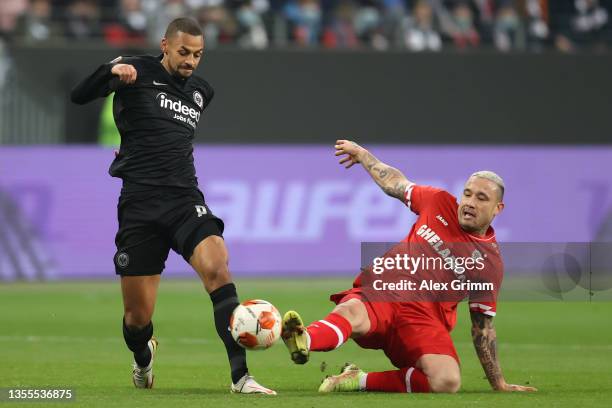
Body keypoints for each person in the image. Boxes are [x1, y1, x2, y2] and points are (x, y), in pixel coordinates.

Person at [70, 17, 275, 395]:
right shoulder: (136, 70)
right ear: (165, 45)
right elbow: (79, 95)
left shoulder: (201, 92)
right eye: (184, 52)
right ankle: (143, 355)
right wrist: (110, 71)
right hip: (140, 204)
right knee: (136, 319)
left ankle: (241, 378)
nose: (191, 61)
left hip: (184, 200)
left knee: (218, 268)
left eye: (198, 54)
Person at [281, 139, 538, 394]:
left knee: (446, 381)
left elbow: (482, 327)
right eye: (468, 193)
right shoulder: (438, 202)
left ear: (498, 208)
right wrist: (362, 155)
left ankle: (356, 380)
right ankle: (304, 338)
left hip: (424, 319)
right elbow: (395, 182)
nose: (470, 202)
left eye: (482, 198)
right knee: (351, 311)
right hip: (385, 291)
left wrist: (499, 383)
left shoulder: (489, 264)